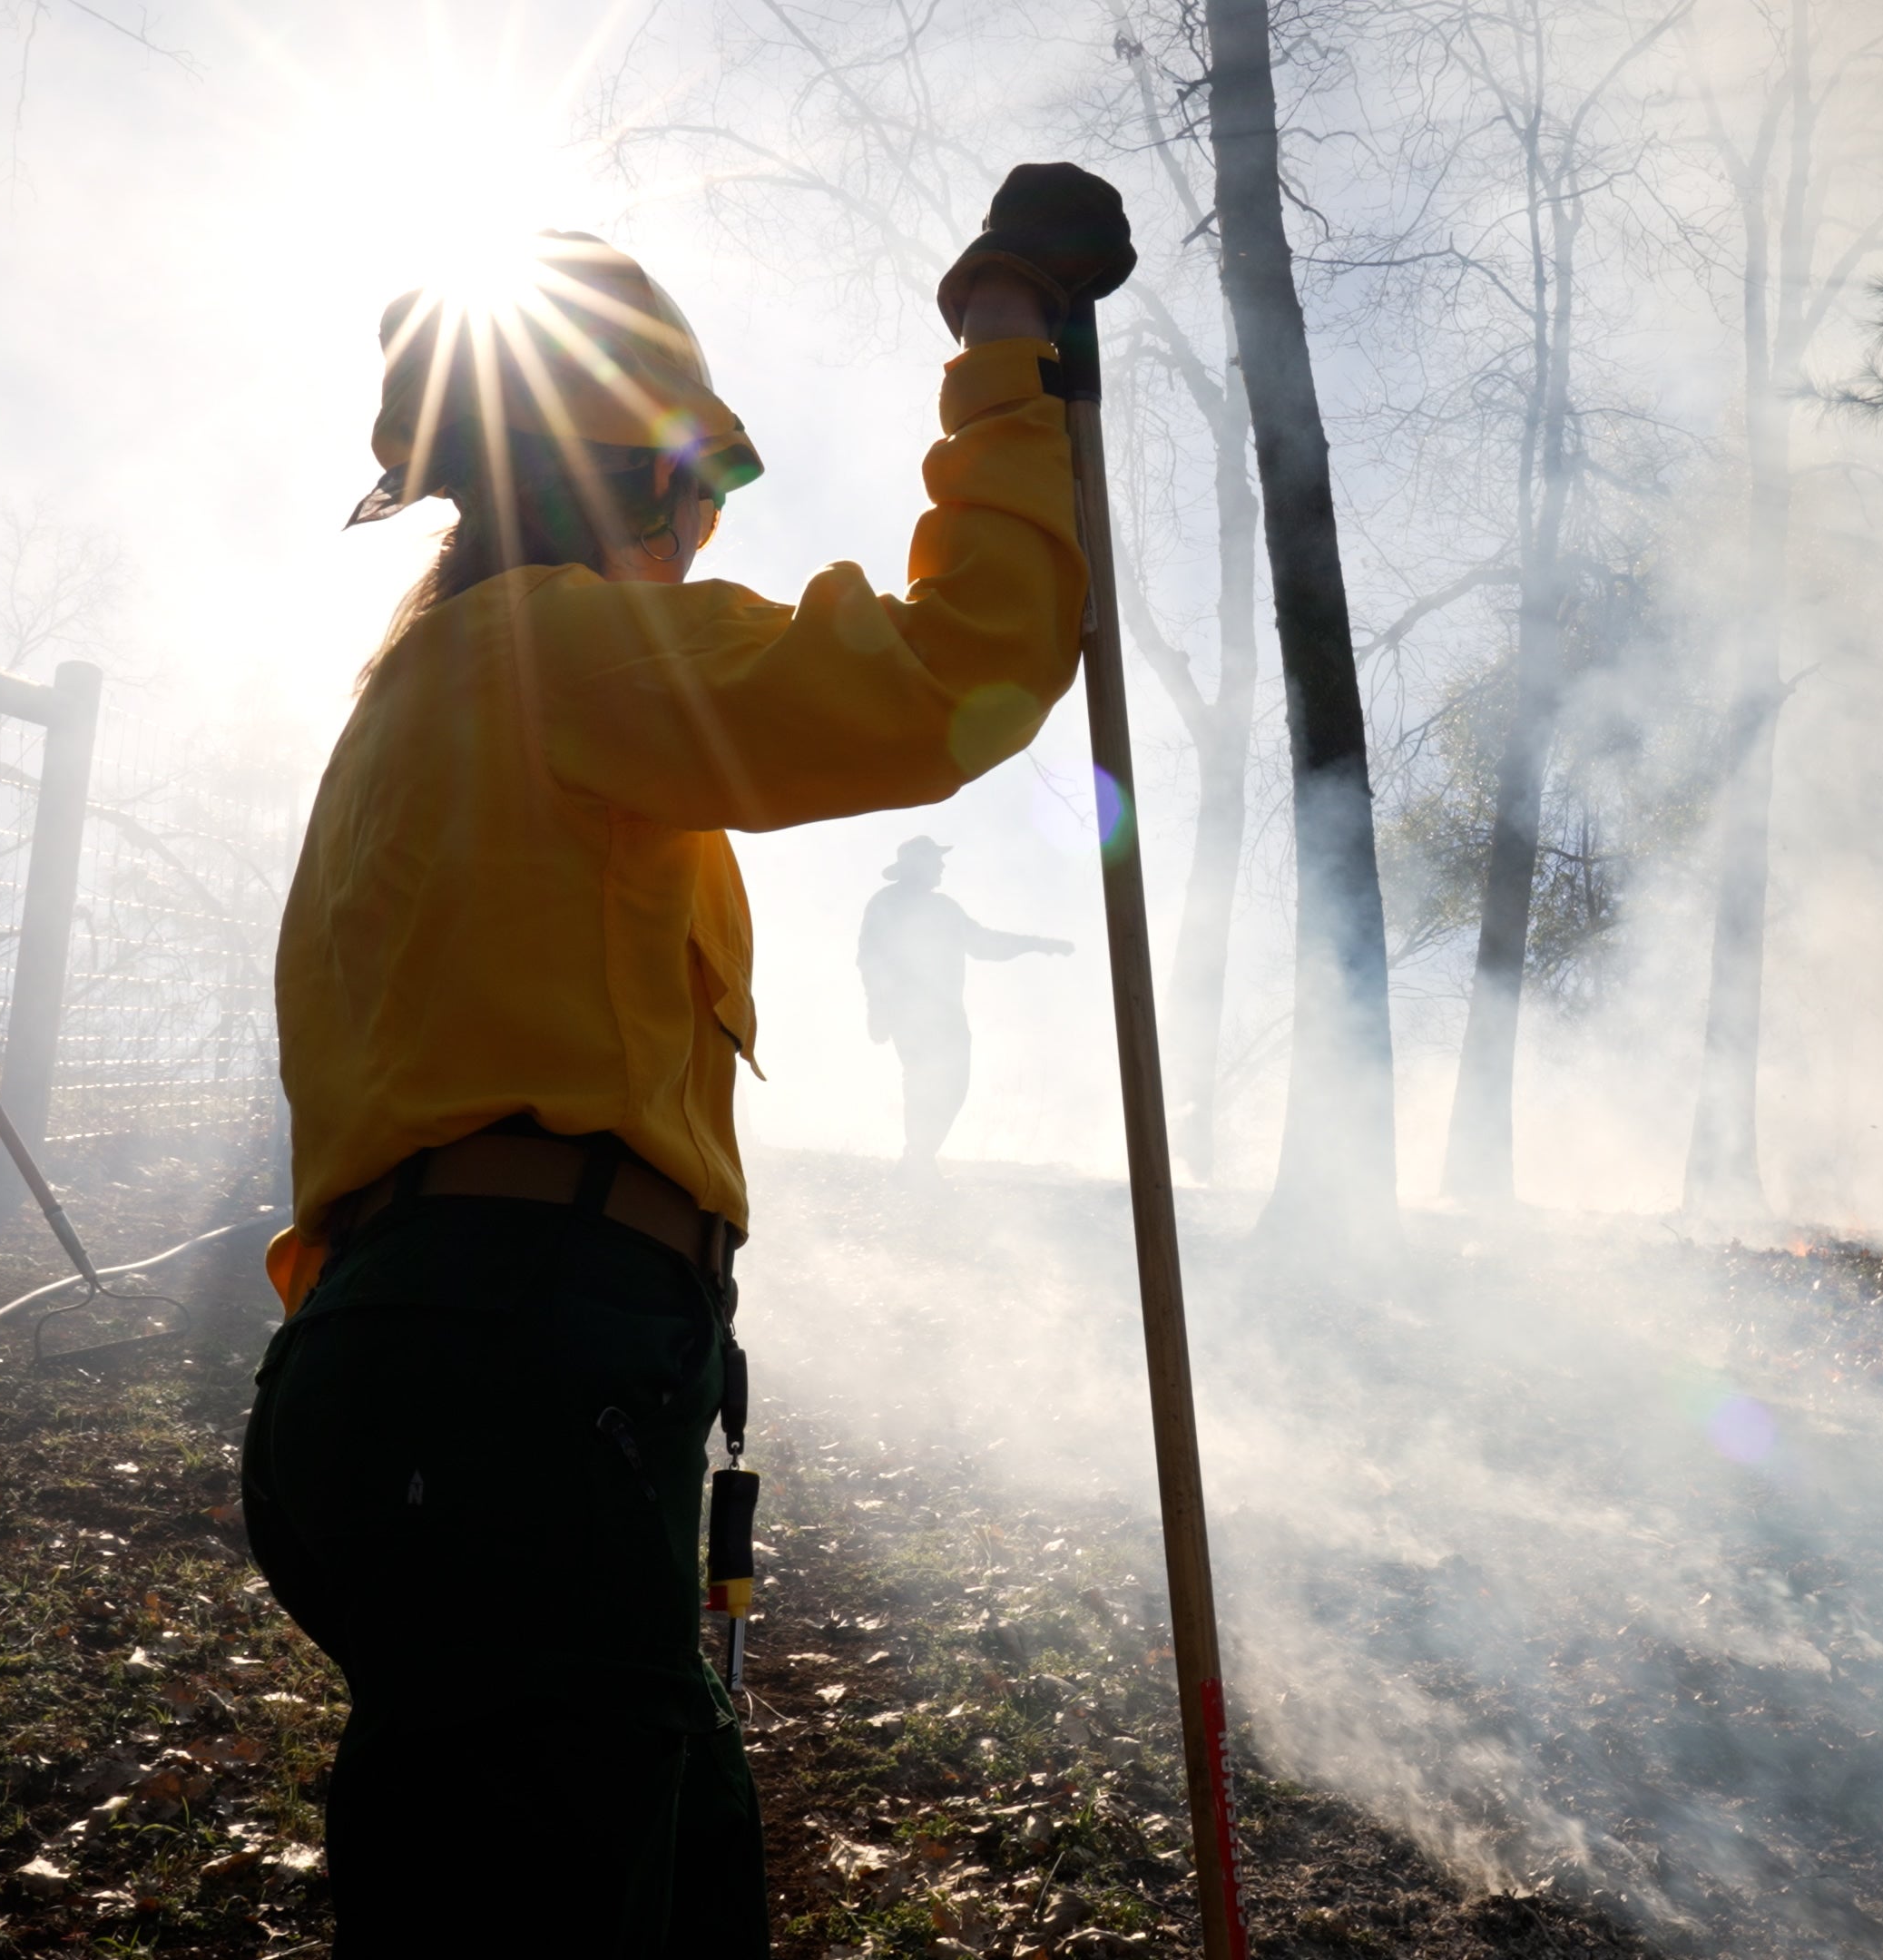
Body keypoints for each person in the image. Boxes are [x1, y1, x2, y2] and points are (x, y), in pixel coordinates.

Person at [243, 167, 1131, 1958]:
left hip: (450, 1372)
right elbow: (968, 669)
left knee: (667, 1862)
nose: (713, 527)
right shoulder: (550, 652)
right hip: (517, 1367)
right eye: (707, 479)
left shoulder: (440, 699)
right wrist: (1006, 344)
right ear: (631, 470)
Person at [858, 836, 1070, 1172]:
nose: (942, 866)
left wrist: (1036, 944)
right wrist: (877, 1008)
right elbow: (870, 958)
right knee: (923, 1082)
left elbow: (984, 944)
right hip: (911, 1014)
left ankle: (918, 1157)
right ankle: (918, 1161)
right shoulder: (885, 905)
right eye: (936, 860)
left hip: (946, 1017)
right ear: (918, 864)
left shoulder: (944, 908)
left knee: (952, 1085)